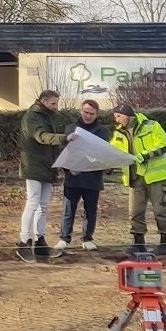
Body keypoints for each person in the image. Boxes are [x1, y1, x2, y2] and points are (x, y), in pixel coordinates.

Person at [17, 89, 73, 261]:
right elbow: (41, 137)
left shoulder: (45, 116)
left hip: (47, 166)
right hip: (34, 166)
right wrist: (64, 138)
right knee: (33, 202)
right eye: (53, 103)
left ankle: (40, 242)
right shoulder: (32, 117)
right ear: (43, 101)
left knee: (43, 205)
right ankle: (23, 242)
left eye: (56, 103)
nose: (56, 107)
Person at [110, 103, 166, 255]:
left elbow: (163, 145)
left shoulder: (152, 126)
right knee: (135, 211)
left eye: (118, 116)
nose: (116, 120)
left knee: (160, 210)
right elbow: (113, 151)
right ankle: (138, 243)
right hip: (134, 177)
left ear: (126, 115)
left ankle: (165, 242)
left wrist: (144, 155)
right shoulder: (118, 133)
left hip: (155, 176)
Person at [56, 98, 110, 254]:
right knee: (68, 208)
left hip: (93, 177)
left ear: (96, 114)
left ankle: (87, 238)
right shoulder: (70, 128)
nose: (88, 116)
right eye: (86, 112)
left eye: (91, 113)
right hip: (72, 176)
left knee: (90, 209)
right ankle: (64, 238)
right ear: (81, 111)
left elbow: (104, 152)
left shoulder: (103, 131)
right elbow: (63, 149)